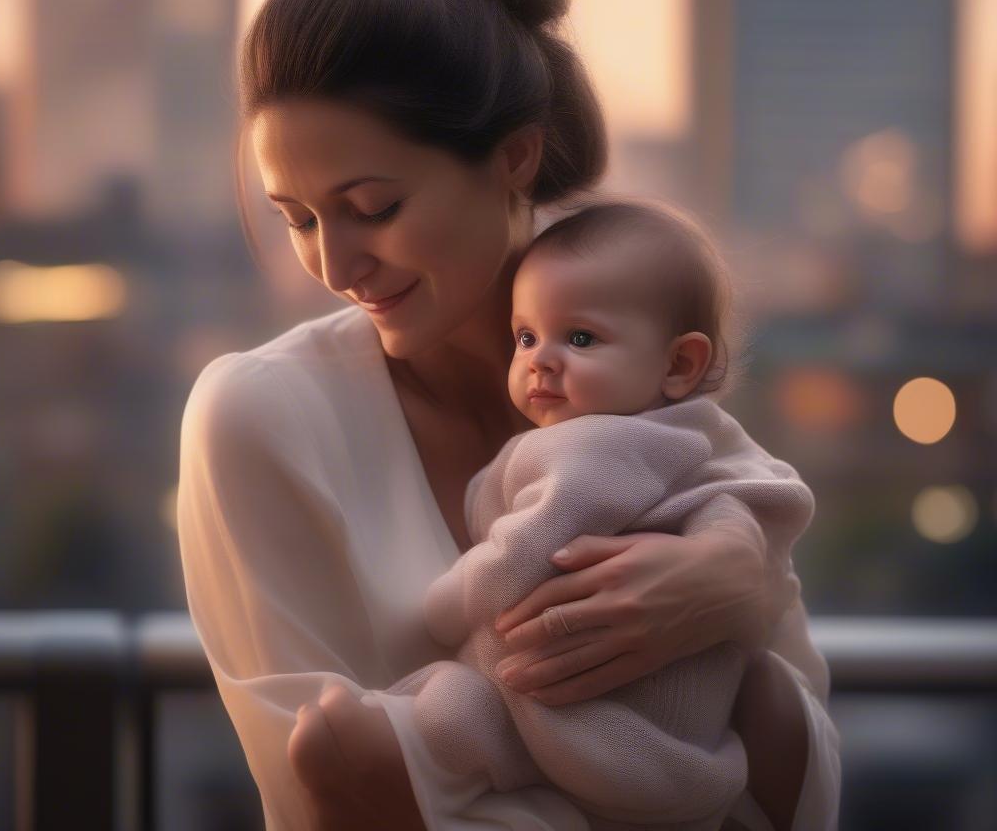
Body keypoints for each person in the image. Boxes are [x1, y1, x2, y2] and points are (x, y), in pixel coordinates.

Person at [176, 0, 841, 831]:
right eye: (299, 218)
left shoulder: (636, 375)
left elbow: (800, 786)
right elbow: (334, 803)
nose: (334, 264)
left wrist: (739, 597)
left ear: (514, 159)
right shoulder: (258, 418)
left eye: (372, 204)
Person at [330, 198, 824, 831]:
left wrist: (445, 604)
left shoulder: (603, 447)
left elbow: (523, 553)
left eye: (580, 338)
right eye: (526, 337)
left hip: (612, 725)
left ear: (678, 365)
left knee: (459, 705)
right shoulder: (691, 445)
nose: (541, 359)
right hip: (655, 731)